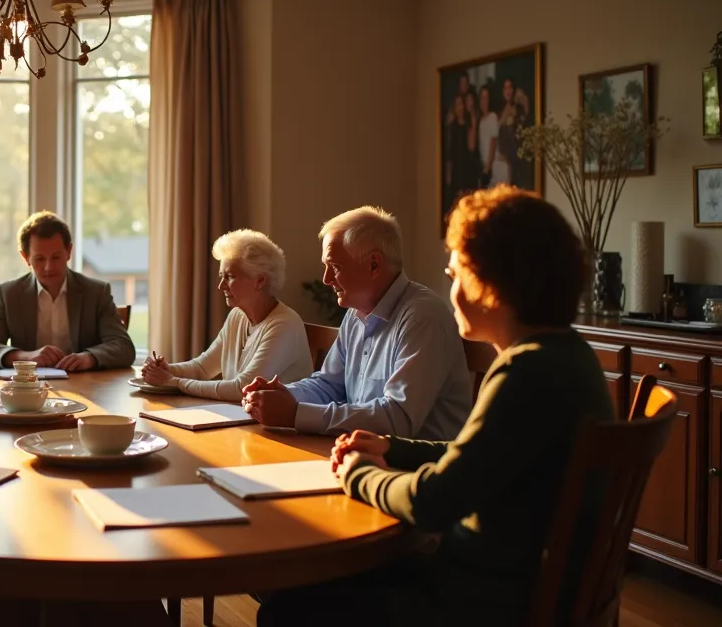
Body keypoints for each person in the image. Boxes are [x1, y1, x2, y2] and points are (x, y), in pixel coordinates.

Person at [257, 185, 615, 625]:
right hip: (501, 581)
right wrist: (393, 449)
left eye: (457, 272)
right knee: (288, 586)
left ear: (493, 281)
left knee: (286, 608)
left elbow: (435, 501)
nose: (449, 282)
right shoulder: (568, 356)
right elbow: (474, 456)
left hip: (479, 602)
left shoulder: (526, 374)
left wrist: (361, 475)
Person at [241, 206, 472, 440]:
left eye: (336, 267)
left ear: (374, 264)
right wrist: (282, 397)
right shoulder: (356, 313)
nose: (326, 279)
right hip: (365, 454)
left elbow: (399, 419)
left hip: (417, 468)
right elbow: (329, 385)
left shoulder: (423, 317)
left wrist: (295, 413)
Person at [139, 229, 311, 401]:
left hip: (275, 425)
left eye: (229, 276)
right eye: (222, 276)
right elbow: (202, 368)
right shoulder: (237, 316)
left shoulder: (284, 325)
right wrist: (167, 370)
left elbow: (242, 388)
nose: (221, 286)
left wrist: (173, 382)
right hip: (242, 418)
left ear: (260, 280)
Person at [0, 211, 136, 370]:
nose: (48, 267)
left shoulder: (97, 292)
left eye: (56, 257)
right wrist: (26, 357)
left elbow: (124, 348)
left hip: (86, 389)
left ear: (69, 252)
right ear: (26, 257)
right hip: (28, 390)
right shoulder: (8, 294)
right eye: (40, 259)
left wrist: (89, 358)